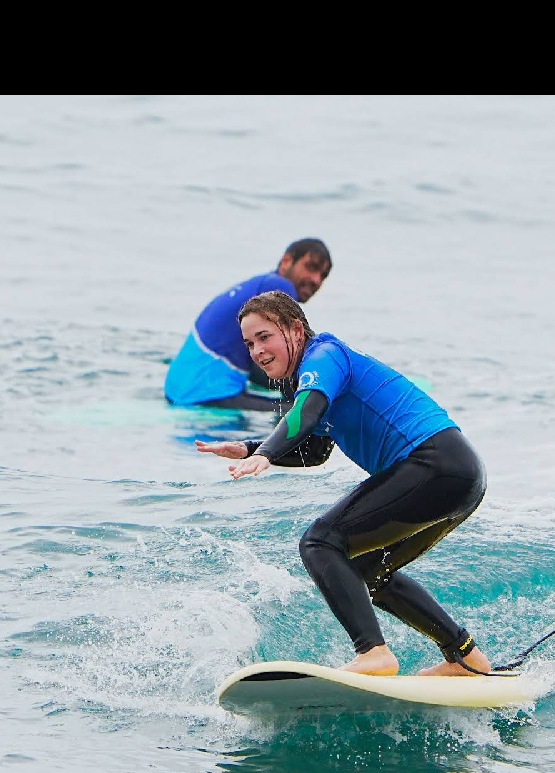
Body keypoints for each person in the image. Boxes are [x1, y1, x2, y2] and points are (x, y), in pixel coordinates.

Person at [195, 291, 491, 677]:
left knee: (320, 542)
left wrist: (265, 452)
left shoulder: (324, 357)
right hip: (459, 476)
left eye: (265, 337)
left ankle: (373, 653)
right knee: (371, 572)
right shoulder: (318, 374)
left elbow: (308, 410)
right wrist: (249, 447)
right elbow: (316, 450)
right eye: (249, 343)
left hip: (434, 464)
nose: (257, 350)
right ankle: (466, 658)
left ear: (295, 330)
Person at [164, 238, 331, 410]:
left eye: (323, 275)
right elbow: (301, 354)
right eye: (311, 267)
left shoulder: (261, 285)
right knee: (307, 410)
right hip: (205, 394)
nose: (316, 280)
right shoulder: (279, 287)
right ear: (286, 261)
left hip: (178, 390)